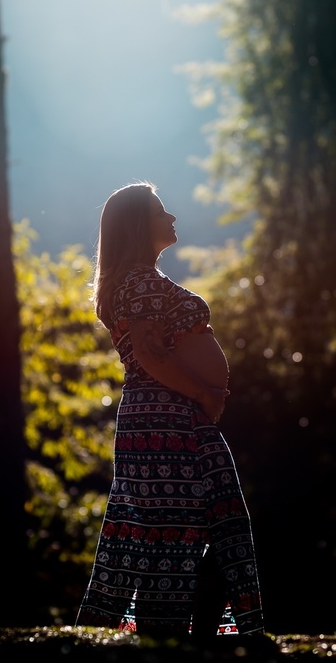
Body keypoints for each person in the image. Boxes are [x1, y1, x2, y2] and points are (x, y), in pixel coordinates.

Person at [75, 181, 266, 638]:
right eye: (162, 211)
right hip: (165, 418)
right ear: (140, 225)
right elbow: (148, 354)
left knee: (191, 520)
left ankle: (191, 630)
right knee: (171, 525)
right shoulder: (139, 282)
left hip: (172, 419)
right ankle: (167, 633)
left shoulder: (141, 280)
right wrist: (203, 392)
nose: (172, 218)